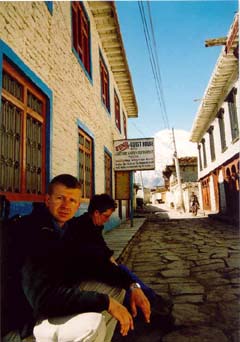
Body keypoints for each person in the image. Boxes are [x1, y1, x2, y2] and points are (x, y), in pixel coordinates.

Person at [14, 174, 151, 340]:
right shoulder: (33, 231)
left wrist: (132, 285)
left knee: (117, 290)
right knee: (92, 324)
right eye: (60, 198)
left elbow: (96, 263)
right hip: (31, 318)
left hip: (60, 294)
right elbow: (44, 299)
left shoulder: (68, 229)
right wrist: (105, 302)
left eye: (72, 201)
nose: (66, 205)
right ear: (47, 199)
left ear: (78, 204)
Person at [64, 193, 175, 340]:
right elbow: (98, 265)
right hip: (81, 278)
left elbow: (104, 252)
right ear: (96, 213)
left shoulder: (93, 224)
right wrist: (123, 277)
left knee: (125, 272)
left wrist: (117, 267)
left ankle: (152, 301)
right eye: (106, 216)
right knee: (123, 285)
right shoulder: (81, 229)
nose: (107, 219)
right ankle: (148, 310)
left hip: (95, 268)